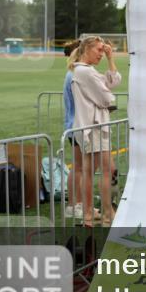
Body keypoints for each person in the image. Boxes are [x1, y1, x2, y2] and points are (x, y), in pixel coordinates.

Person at [69, 36, 121, 227]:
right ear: (87, 49)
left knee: (91, 171)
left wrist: (110, 58)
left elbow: (113, 83)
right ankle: (105, 215)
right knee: (105, 171)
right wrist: (107, 95)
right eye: (99, 50)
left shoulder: (85, 71)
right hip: (94, 126)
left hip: (89, 126)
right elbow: (108, 99)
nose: (101, 53)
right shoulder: (85, 72)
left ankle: (90, 216)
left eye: (103, 50)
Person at [62, 40, 93, 222]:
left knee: (78, 168)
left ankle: (75, 204)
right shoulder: (75, 74)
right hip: (77, 126)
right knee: (80, 168)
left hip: (74, 125)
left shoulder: (71, 73)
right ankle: (76, 204)